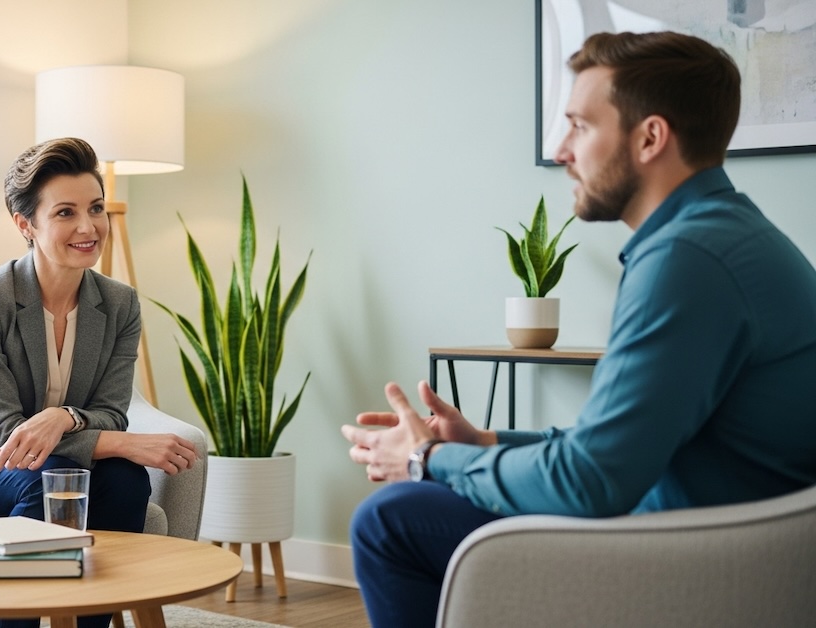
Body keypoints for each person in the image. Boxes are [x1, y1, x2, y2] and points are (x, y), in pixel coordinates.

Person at [341, 31, 816, 627]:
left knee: (391, 519)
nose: (562, 150)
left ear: (650, 138)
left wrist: (427, 457)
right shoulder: (725, 235)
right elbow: (610, 443)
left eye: (580, 126)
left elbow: (590, 481)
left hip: (706, 562)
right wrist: (482, 444)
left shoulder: (688, 258)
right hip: (726, 534)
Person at [0, 137, 199, 628]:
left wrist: (64, 417)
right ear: (26, 224)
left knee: (125, 481)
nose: (88, 227)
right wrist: (123, 443)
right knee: (50, 479)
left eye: (96, 208)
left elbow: (110, 412)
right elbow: (4, 435)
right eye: (65, 213)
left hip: (52, 458)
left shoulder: (120, 304)